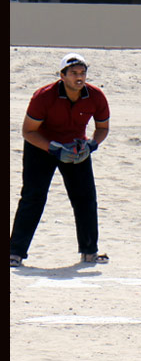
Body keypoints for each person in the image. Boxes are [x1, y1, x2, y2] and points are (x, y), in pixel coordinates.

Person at [10, 53, 110, 267]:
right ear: (62, 76)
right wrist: (53, 148)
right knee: (33, 198)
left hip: (76, 148)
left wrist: (91, 145)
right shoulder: (44, 96)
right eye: (73, 73)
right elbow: (28, 131)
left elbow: (102, 128)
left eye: (82, 73)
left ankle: (89, 252)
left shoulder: (96, 96)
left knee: (86, 199)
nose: (79, 77)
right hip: (41, 147)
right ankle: (15, 253)